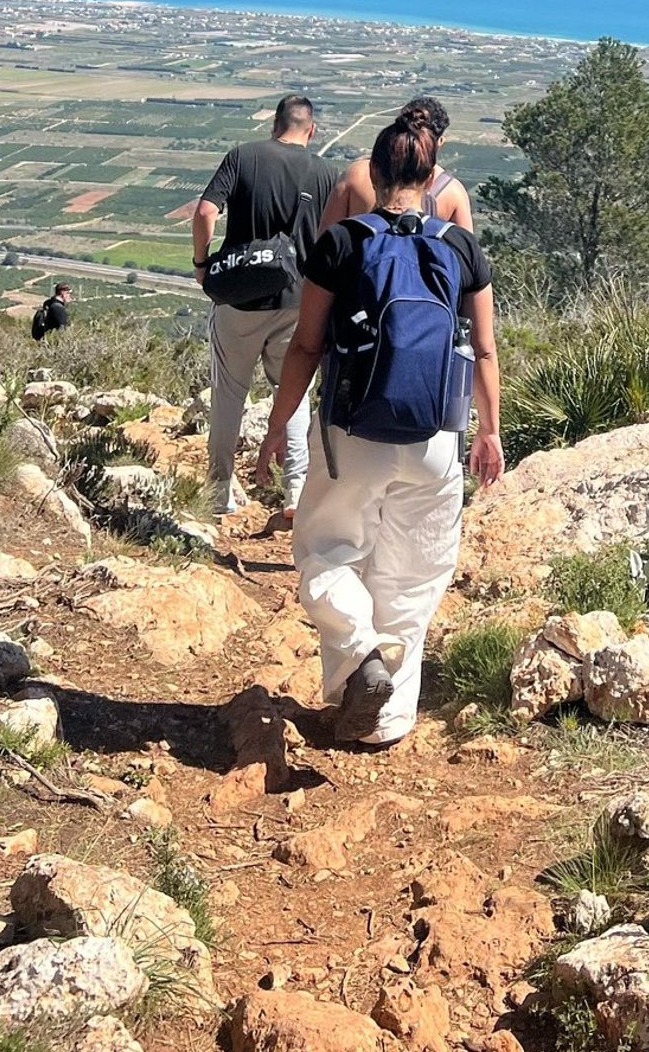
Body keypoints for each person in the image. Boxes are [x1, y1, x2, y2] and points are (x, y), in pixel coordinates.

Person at [255, 113, 504, 745]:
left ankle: (361, 653)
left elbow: (307, 346)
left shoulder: (342, 243)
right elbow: (485, 349)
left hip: (350, 437)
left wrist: (276, 426)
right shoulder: (460, 246)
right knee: (412, 576)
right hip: (435, 440)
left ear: (374, 168)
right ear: (430, 172)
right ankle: (384, 724)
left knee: (325, 554)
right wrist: (489, 432)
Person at [194, 95, 338, 522]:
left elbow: (205, 212)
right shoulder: (326, 174)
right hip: (299, 303)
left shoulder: (244, 157)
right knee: (292, 394)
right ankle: (295, 490)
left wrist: (203, 266)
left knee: (228, 394)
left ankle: (219, 493)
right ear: (311, 130)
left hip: (239, 299)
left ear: (274, 125)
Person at [318, 96, 474, 234]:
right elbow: (466, 257)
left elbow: (323, 241)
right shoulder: (453, 192)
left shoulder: (357, 174)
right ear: (440, 142)